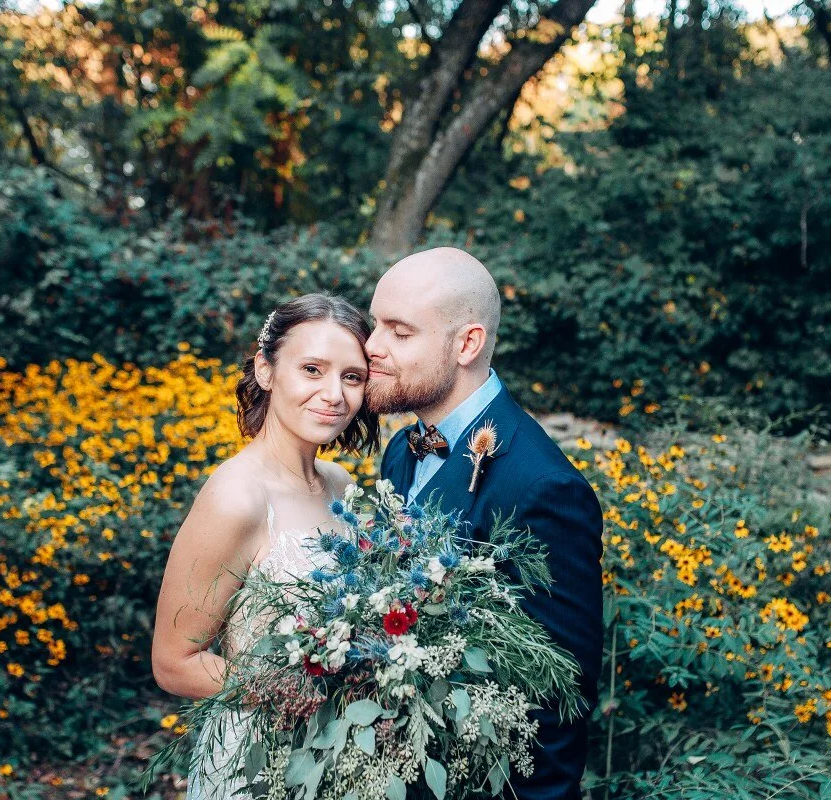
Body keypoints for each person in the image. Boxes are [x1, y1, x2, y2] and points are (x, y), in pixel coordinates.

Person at [365, 247, 604, 800]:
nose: (372, 345)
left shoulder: (543, 488)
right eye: (375, 324)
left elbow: (558, 701)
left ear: (467, 344)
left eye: (399, 332)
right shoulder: (401, 450)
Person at [151, 293, 379, 799]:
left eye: (352, 377)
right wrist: (287, 690)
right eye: (312, 369)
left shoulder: (341, 485)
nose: (334, 394)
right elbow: (173, 661)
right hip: (258, 759)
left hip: (343, 758)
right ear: (266, 370)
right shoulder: (236, 498)